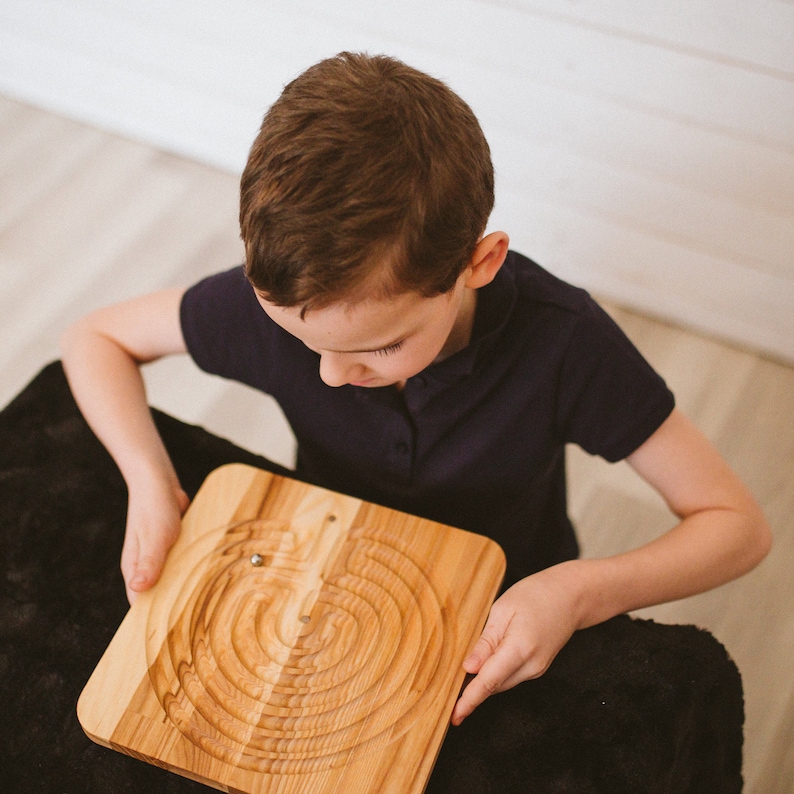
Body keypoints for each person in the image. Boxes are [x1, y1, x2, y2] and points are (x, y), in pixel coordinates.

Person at [60, 52, 771, 727]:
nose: (333, 375)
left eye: (379, 347)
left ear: (479, 263)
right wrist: (151, 483)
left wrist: (577, 592)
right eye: (304, 344)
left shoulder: (563, 339)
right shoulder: (289, 303)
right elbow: (94, 339)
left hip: (502, 611)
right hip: (330, 580)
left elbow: (736, 525)